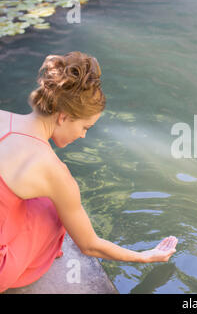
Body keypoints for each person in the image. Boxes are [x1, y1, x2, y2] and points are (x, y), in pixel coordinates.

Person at [0, 51, 177, 293]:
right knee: (54, 213)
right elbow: (90, 246)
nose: (83, 135)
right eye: (85, 127)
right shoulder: (52, 171)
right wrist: (146, 256)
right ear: (64, 116)